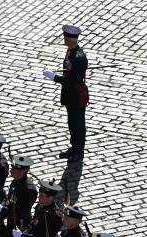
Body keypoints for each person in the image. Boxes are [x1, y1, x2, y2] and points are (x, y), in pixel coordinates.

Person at [43, 25, 89, 162]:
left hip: (76, 95)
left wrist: (54, 78)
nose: (64, 39)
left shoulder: (79, 58)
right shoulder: (71, 52)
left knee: (78, 125)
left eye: (66, 37)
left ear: (71, 39)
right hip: (70, 95)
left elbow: (71, 80)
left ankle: (78, 152)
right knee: (72, 123)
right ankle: (74, 147)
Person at [0, 155, 37, 237]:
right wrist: (2, 206)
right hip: (11, 219)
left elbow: (19, 211)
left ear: (23, 171)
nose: (11, 170)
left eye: (15, 169)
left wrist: (2, 210)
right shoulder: (16, 181)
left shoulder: (28, 190)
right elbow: (10, 199)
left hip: (21, 223)